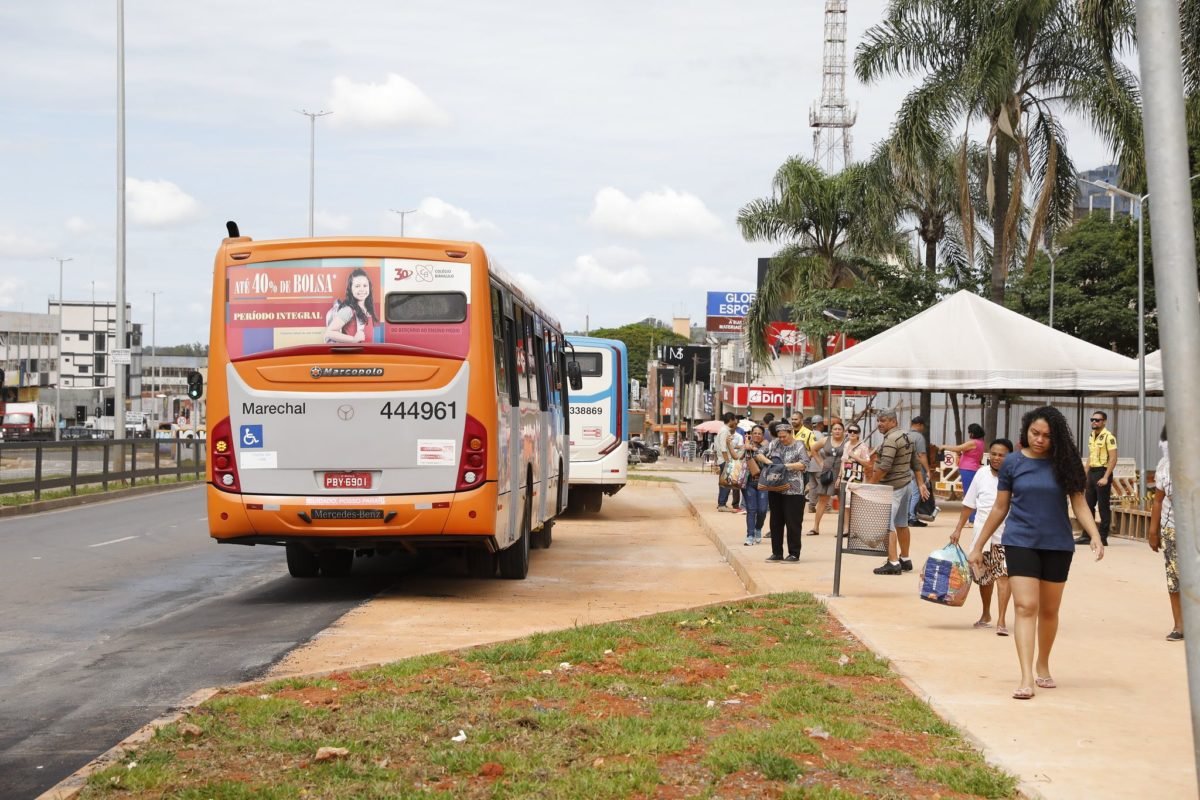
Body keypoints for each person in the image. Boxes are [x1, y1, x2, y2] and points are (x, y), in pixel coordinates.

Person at [968, 406, 1103, 700]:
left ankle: (1043, 662)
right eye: (1035, 433)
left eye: (1046, 435)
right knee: (1025, 607)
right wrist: (978, 545)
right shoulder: (1012, 463)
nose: (1040, 439)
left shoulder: (1065, 463)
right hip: (1021, 542)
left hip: (1057, 544)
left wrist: (1094, 534)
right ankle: (1026, 675)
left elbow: (1079, 502)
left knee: (1049, 610)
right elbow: (1000, 507)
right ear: (1026, 432)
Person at [950, 438, 1014, 633]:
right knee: (984, 579)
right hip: (981, 537)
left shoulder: (1015, 477)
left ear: (1010, 457)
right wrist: (958, 528)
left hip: (1006, 536)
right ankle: (986, 614)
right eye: (993, 453)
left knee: (1004, 576)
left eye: (1001, 455)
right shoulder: (981, 474)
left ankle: (1002, 619)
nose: (996, 458)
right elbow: (969, 503)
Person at [871, 409, 927, 574]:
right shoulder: (906, 436)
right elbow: (915, 462)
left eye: (884, 420)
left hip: (892, 488)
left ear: (893, 422)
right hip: (906, 485)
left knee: (888, 525)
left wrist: (871, 484)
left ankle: (893, 563)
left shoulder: (890, 440)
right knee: (901, 523)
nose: (880, 424)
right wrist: (920, 483)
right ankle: (905, 558)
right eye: (879, 421)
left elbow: (885, 466)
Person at [750, 422, 809, 562]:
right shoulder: (774, 443)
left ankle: (794, 553)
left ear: (791, 433)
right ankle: (777, 553)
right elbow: (757, 453)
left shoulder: (799, 445)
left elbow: (804, 464)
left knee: (793, 522)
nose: (782, 439)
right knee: (775, 522)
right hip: (775, 487)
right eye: (780, 436)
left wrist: (784, 467)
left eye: (784, 436)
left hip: (794, 490)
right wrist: (769, 463)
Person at [1148, 426, 1183, 641]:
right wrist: (1154, 531)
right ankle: (1179, 626)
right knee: (1175, 578)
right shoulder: (1165, 467)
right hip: (1172, 529)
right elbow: (1158, 500)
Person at [1080, 410, 1117, 546]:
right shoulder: (1092, 436)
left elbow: (1113, 459)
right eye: (1092, 420)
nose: (1094, 422)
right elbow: (1091, 455)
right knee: (1088, 505)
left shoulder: (1109, 437)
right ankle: (1086, 535)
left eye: (1097, 420)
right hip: (1092, 473)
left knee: (1103, 506)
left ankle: (1102, 537)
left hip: (1102, 472)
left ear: (1104, 422)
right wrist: (1085, 471)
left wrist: (1106, 477)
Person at [939, 423, 987, 524]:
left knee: (969, 494)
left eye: (970, 432)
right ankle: (973, 517)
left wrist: (944, 446)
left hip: (968, 469)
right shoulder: (981, 442)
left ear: (973, 433)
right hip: (973, 468)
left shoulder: (973, 442)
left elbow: (958, 448)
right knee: (973, 493)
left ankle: (972, 518)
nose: (969, 434)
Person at [808, 419, 846, 536]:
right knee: (823, 500)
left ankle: (844, 529)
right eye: (835, 429)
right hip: (827, 472)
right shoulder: (825, 440)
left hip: (842, 472)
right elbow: (813, 449)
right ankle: (815, 527)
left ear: (843, 431)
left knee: (843, 501)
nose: (837, 431)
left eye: (839, 429)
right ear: (831, 431)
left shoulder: (847, 442)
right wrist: (820, 462)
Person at [324, 268, 379, 344]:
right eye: (357, 286)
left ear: (369, 287)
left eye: (365, 285)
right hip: (353, 354)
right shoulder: (348, 310)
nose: (362, 289)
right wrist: (353, 339)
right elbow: (329, 332)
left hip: (366, 354)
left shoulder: (368, 309)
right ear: (351, 289)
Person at [741, 425, 769, 546]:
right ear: (751, 434)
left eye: (759, 433)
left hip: (763, 482)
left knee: (762, 510)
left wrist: (754, 449)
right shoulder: (745, 447)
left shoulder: (767, 448)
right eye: (755, 433)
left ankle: (758, 528)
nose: (757, 435)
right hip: (748, 482)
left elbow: (768, 461)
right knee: (751, 510)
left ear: (763, 435)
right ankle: (750, 535)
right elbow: (736, 457)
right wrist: (730, 446)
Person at [907, 415, 934, 527]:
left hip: (905, 469)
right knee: (916, 494)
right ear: (919, 425)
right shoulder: (919, 437)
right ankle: (912, 518)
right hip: (916, 470)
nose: (923, 428)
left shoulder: (905, 435)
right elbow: (921, 455)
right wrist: (928, 470)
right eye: (923, 426)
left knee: (909, 494)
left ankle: (906, 516)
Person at [715, 413, 741, 511]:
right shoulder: (724, 431)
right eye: (734, 420)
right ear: (730, 420)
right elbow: (723, 448)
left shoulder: (725, 430)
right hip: (725, 460)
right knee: (726, 484)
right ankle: (722, 505)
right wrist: (727, 462)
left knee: (724, 483)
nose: (736, 422)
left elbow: (727, 446)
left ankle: (722, 504)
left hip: (724, 460)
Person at [803, 414, 825, 512]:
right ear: (820, 424)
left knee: (812, 486)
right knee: (824, 485)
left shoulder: (808, 434)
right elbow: (824, 451)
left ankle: (811, 506)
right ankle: (827, 506)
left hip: (809, 465)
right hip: (819, 464)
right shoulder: (820, 435)